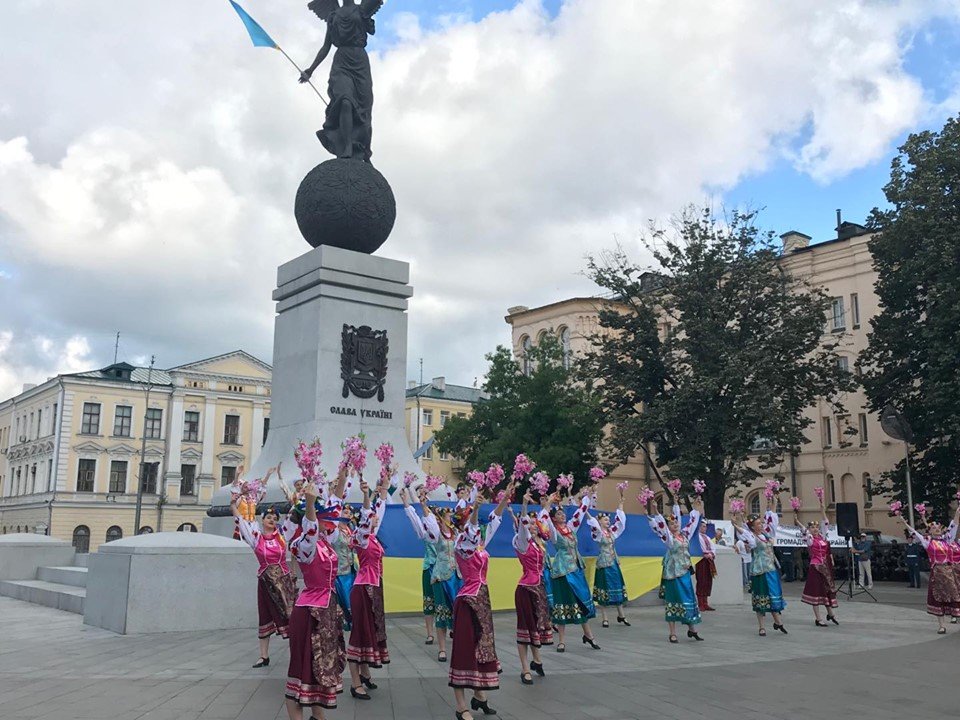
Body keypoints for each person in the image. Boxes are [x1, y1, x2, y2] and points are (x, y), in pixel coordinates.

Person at [448, 485, 514, 720]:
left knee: (483, 647)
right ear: (462, 525)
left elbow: (494, 520)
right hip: (468, 601)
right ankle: (461, 706)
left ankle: (480, 696)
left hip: (482, 600)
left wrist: (505, 498)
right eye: (467, 519)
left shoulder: (478, 544)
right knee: (466, 649)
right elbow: (474, 527)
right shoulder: (462, 546)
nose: (473, 524)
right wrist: (475, 508)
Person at [284, 481, 347, 719]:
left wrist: (343, 475)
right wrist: (310, 503)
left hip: (327, 610)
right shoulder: (303, 545)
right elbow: (310, 530)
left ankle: (318, 716)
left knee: (319, 669)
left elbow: (336, 508)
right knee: (303, 670)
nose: (326, 522)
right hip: (310, 611)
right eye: (321, 518)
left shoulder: (325, 543)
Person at [230, 465, 298, 669]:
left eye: (275, 518)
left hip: (283, 581)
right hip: (266, 581)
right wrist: (236, 489)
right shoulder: (255, 537)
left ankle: (296, 651)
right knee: (265, 615)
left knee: (290, 615)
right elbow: (239, 516)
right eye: (269, 518)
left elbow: (294, 515)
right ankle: (264, 655)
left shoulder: (282, 536)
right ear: (263, 520)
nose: (272, 520)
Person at [300, 0, 384, 161]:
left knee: (363, 111)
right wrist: (310, 70)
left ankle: (361, 149)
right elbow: (326, 46)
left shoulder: (361, 10)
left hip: (360, 62)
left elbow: (372, 30)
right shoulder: (334, 15)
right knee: (345, 101)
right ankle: (346, 146)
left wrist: (366, 18)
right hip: (341, 63)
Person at [405, 486, 462, 663]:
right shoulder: (436, 534)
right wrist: (421, 506)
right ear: (441, 517)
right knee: (440, 611)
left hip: (456, 577)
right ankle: (442, 648)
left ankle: (459, 644)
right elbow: (426, 522)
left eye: (451, 516)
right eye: (448, 515)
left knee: (458, 612)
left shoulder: (457, 534)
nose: (450, 517)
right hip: (439, 576)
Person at [539, 490, 600, 652]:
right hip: (562, 571)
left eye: (562, 513)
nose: (562, 516)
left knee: (581, 600)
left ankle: (589, 635)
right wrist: (549, 503)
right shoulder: (553, 532)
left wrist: (589, 495)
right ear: (554, 518)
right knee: (563, 603)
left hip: (576, 569)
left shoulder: (571, 527)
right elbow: (543, 519)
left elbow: (581, 512)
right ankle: (561, 641)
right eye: (559, 514)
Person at [346, 477, 390, 699]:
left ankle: (364, 674)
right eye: (370, 518)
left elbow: (378, 510)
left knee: (370, 630)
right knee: (359, 633)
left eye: (374, 518)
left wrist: (384, 487)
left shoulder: (373, 537)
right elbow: (366, 516)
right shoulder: (361, 538)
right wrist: (365, 495)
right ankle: (355, 683)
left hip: (375, 586)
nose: (374, 519)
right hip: (363, 587)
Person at [641, 496, 705, 643]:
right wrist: (656, 511)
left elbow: (693, 523)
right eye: (672, 523)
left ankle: (692, 629)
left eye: (676, 522)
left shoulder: (684, 534)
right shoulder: (668, 538)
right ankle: (672, 632)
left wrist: (693, 507)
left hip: (685, 571)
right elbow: (661, 527)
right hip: (673, 573)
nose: (675, 524)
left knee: (688, 598)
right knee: (674, 600)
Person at [508, 490, 553, 686]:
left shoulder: (539, 546)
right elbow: (523, 529)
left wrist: (548, 502)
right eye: (531, 525)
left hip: (539, 588)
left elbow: (544, 517)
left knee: (536, 627)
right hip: (526, 589)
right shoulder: (522, 543)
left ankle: (537, 661)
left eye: (536, 525)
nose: (534, 527)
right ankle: (525, 668)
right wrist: (524, 506)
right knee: (525, 630)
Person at [733, 497, 788, 636]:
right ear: (752, 526)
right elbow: (743, 532)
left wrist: (773, 504)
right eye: (758, 523)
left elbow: (772, 520)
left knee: (773, 596)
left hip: (770, 569)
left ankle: (778, 622)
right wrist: (736, 523)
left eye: (760, 522)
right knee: (761, 598)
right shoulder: (752, 537)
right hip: (759, 571)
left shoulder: (767, 535)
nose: (761, 525)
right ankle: (761, 627)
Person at [896, 513, 960, 633]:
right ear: (930, 531)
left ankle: (954, 616)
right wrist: (904, 522)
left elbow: (955, 523)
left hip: (949, 572)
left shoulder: (948, 539)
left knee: (955, 596)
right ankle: (941, 626)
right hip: (937, 573)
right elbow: (914, 532)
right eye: (933, 528)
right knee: (938, 599)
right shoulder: (927, 541)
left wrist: (958, 510)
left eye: (938, 528)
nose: (936, 529)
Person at [398, 486, 439, 648]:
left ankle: (450, 627)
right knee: (429, 602)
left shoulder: (446, 532)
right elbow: (415, 519)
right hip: (429, 568)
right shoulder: (425, 532)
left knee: (448, 601)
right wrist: (406, 501)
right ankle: (430, 633)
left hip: (445, 570)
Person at [586, 488, 630, 627]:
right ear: (600, 522)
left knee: (617, 586)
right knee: (604, 588)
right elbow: (590, 519)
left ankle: (621, 615)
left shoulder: (612, 532)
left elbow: (620, 522)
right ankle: (605, 617)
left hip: (614, 562)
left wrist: (621, 503)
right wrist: (584, 509)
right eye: (605, 519)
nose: (608, 521)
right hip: (604, 563)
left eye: (608, 519)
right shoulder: (598, 534)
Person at [795, 498, 839, 627]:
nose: (815, 529)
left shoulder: (823, 537)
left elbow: (826, 522)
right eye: (812, 527)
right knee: (816, 591)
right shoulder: (810, 540)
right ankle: (818, 618)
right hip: (816, 567)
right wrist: (798, 522)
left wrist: (822, 509)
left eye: (816, 527)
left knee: (826, 590)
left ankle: (830, 614)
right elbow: (804, 532)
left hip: (825, 567)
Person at [694, 520, 717, 611]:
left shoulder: (707, 537)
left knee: (708, 581)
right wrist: (704, 554)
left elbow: (713, 547)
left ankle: (705, 603)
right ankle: (700, 603)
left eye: (705, 526)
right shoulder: (697, 537)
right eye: (703, 526)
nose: (705, 528)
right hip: (701, 560)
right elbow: (698, 548)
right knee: (701, 580)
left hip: (709, 560)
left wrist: (712, 554)